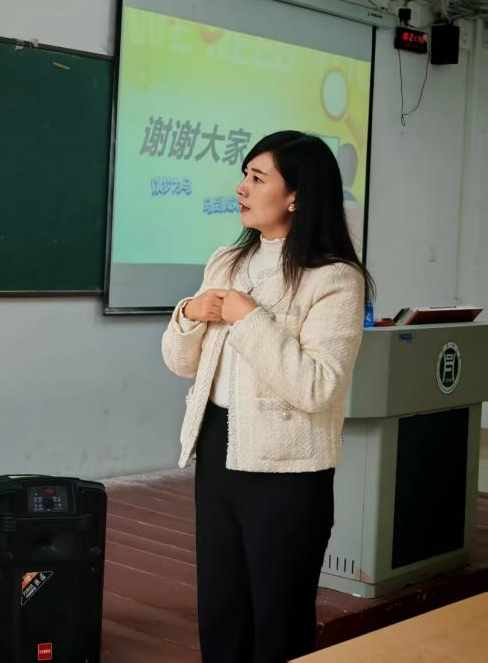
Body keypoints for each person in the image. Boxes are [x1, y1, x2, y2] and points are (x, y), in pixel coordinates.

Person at [161, 131, 374, 663]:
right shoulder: (227, 261)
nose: (241, 188)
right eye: (244, 175)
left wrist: (248, 318)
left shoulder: (336, 279)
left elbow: (318, 386)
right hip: (217, 447)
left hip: (288, 469)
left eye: (258, 178)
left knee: (279, 620)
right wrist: (189, 315)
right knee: (220, 609)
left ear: (296, 196)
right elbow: (181, 364)